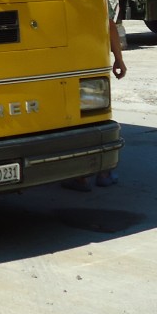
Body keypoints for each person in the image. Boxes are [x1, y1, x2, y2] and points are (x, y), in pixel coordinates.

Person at [62, 15, 125, 191]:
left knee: (73, 121)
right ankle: (104, 173)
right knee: (96, 118)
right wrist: (119, 59)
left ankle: (80, 177)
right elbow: (110, 25)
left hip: (63, 64)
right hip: (93, 62)